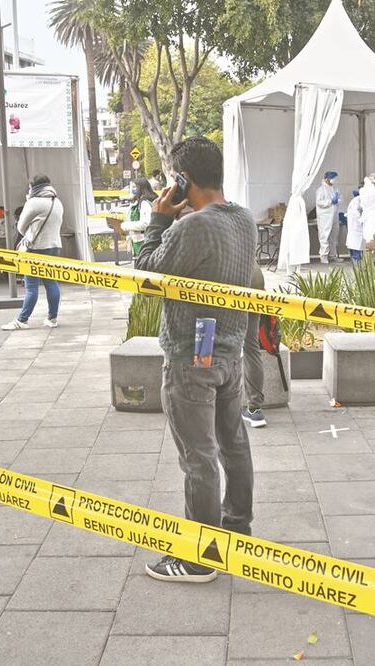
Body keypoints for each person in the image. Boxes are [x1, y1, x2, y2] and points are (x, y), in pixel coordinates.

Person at [135, 137, 257, 583]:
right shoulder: (242, 219)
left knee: (198, 457)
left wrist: (158, 220)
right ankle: (236, 531)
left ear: (183, 179)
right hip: (230, 350)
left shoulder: (190, 228)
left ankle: (198, 558)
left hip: (190, 357)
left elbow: (147, 270)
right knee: (233, 444)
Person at [1, 174, 65, 330]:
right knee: (51, 282)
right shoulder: (57, 202)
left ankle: (22, 320)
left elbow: (21, 228)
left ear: (34, 187)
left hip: (36, 248)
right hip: (54, 246)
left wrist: (29, 200)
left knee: (31, 286)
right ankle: (52, 318)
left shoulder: (33, 202)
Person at [241, 263, 267, 428]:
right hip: (254, 276)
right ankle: (254, 408)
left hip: (230, 279)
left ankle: (211, 403)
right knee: (251, 346)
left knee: (216, 342)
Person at [121, 177, 157, 256]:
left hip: (145, 244)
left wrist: (127, 225)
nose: (132, 189)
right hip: (140, 244)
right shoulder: (139, 202)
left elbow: (146, 223)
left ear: (141, 188)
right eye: (131, 187)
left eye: (134, 187)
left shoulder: (144, 203)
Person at [315, 171, 341, 263]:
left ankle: (333, 255)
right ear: (327, 178)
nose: (334, 180)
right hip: (325, 217)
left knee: (334, 236)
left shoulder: (333, 189)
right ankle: (324, 256)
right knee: (324, 236)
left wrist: (337, 200)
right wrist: (330, 201)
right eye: (332, 178)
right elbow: (319, 202)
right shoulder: (321, 190)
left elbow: (338, 200)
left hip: (334, 216)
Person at [345, 189, 365, 262]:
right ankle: (357, 265)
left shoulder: (358, 200)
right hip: (355, 229)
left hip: (357, 230)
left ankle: (357, 264)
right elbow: (356, 214)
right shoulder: (356, 201)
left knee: (357, 248)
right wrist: (362, 218)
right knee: (356, 249)